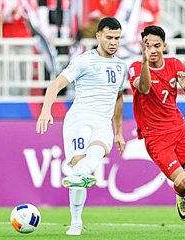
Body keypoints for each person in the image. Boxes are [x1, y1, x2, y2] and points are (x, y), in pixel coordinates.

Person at [35, 17, 126, 236]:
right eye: (109, 37)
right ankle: (76, 221)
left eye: (117, 38)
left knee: (90, 160)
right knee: (80, 165)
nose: (114, 42)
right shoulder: (85, 60)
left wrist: (119, 131)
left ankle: (80, 174)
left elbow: (118, 97)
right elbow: (56, 84)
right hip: (79, 120)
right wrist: (46, 110)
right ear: (98, 37)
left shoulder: (121, 66)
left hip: (103, 123)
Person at [128, 26, 185, 233]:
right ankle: (181, 194)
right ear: (143, 46)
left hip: (179, 129)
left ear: (165, 45)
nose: (153, 49)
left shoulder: (175, 64)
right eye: (148, 46)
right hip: (156, 137)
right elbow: (144, 88)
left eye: (157, 45)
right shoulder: (135, 67)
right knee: (183, 182)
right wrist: (145, 61)